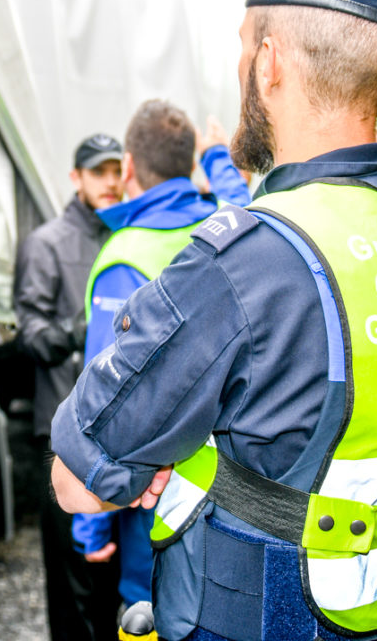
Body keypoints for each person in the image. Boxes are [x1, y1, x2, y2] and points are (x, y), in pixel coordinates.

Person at [50, 0, 377, 641]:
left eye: (242, 48)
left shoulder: (245, 263)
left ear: (268, 64)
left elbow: (77, 481)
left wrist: (167, 462)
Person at [74, 100, 250, 614]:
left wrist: (90, 519)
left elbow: (105, 403)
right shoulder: (232, 228)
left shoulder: (124, 256)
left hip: (152, 497)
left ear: (128, 166)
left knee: (148, 608)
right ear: (187, 163)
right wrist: (218, 160)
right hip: (235, 485)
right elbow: (248, 204)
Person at [14, 133, 125, 641]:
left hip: (122, 436)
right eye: (98, 171)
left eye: (115, 170)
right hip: (63, 438)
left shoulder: (126, 238)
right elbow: (31, 336)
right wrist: (89, 324)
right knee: (71, 579)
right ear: (75, 178)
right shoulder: (46, 243)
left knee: (115, 577)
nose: (110, 181)